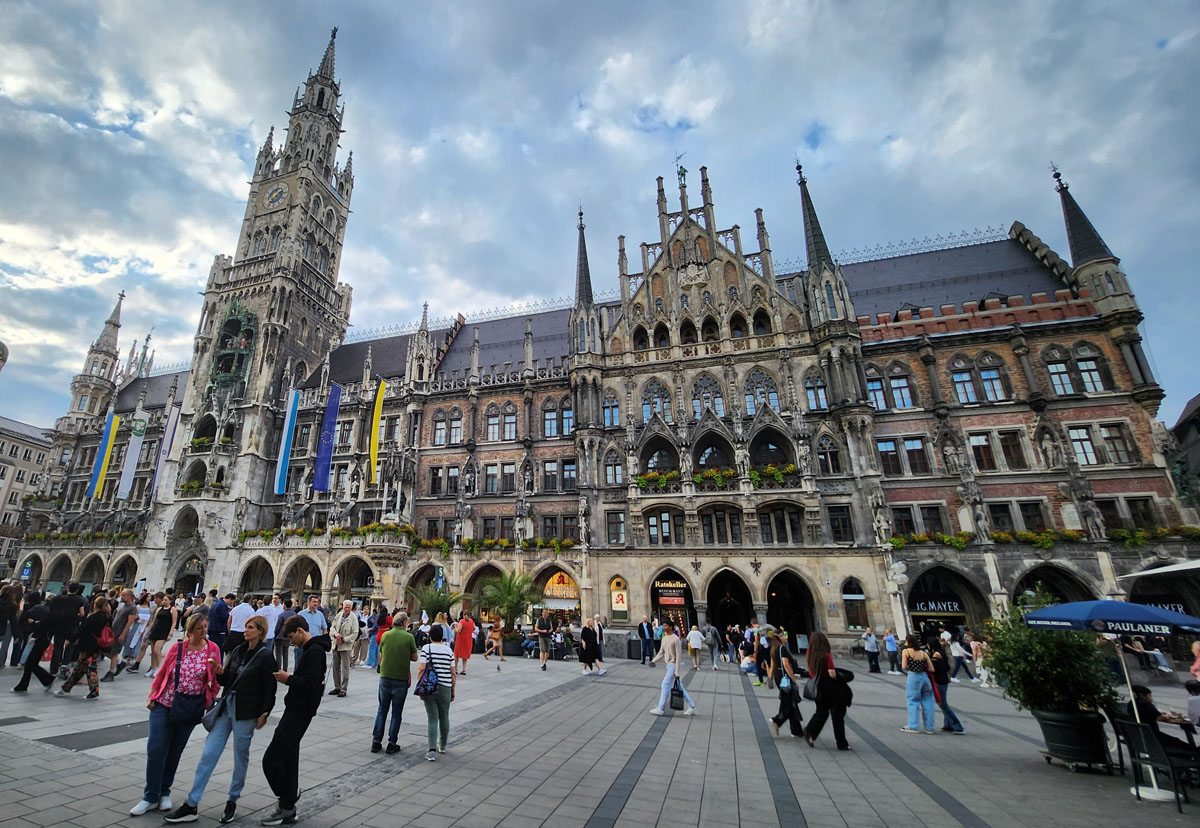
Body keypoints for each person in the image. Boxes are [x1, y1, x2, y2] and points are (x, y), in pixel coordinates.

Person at [166, 614, 277, 825]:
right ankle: (192, 803)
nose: (246, 630)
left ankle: (232, 799)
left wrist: (264, 713)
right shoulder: (238, 650)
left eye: (251, 627)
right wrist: (219, 672)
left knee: (240, 756)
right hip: (227, 707)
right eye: (246, 626)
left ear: (260, 631)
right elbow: (227, 680)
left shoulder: (265, 656)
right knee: (209, 753)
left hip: (246, 712)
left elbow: (269, 689)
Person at [130, 614, 221, 816]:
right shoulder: (178, 648)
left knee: (174, 751)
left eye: (205, 627)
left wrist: (208, 698)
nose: (204, 631)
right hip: (164, 703)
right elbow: (163, 673)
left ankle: (164, 792)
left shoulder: (213, 649)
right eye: (199, 627)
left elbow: (215, 680)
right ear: (190, 629)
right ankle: (150, 796)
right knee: (156, 749)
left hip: (190, 707)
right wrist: (153, 695)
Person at [261, 614, 330, 826]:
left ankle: (288, 797)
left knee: (271, 760)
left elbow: (311, 684)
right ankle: (287, 807)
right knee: (289, 759)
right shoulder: (311, 650)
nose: (291, 642)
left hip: (300, 711)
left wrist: (288, 678)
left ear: (300, 631)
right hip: (297, 709)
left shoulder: (315, 652)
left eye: (292, 637)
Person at [373, 611, 417, 754]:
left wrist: (381, 667)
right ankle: (392, 743)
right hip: (400, 677)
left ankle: (376, 741)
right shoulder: (408, 637)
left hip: (385, 676)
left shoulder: (386, 635)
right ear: (404, 623)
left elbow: (380, 653)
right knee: (396, 712)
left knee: (382, 709)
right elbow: (415, 657)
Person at [56, 595, 112, 699]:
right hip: (97, 646)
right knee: (83, 668)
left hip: (88, 646)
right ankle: (67, 688)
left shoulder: (94, 617)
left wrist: (71, 640)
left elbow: (83, 630)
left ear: (95, 605)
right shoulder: (107, 617)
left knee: (86, 669)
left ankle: (69, 689)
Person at [802, 631, 850, 750]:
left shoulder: (809, 653)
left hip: (817, 686)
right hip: (829, 687)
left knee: (822, 712)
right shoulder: (825, 655)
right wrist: (840, 677)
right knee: (837, 713)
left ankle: (810, 731)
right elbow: (832, 673)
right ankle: (841, 743)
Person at [1127, 684, 1200, 760]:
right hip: (1154, 739)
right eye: (1150, 696)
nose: (1151, 698)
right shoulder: (1147, 705)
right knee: (1179, 743)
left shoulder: (1131, 704)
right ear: (1142, 696)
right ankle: (1192, 758)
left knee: (1178, 742)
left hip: (1141, 738)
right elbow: (1163, 718)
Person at [416, 624, 456, 762]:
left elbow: (422, 668)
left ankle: (431, 750)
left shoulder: (426, 648)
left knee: (432, 718)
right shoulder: (449, 650)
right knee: (444, 715)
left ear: (430, 636)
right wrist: (453, 689)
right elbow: (453, 672)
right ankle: (443, 745)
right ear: (442, 636)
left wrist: (420, 685)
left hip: (430, 686)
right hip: (445, 685)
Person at [650, 619, 695, 716]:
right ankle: (692, 706)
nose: (664, 627)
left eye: (666, 625)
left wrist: (677, 671)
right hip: (668, 665)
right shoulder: (664, 638)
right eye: (663, 625)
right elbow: (661, 652)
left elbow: (678, 656)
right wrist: (654, 660)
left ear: (671, 627)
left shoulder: (676, 639)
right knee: (680, 687)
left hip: (673, 665)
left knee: (665, 684)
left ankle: (660, 708)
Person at [11, 597, 54, 692]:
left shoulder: (45, 613)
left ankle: (45, 679)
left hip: (40, 639)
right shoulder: (52, 614)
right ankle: (47, 679)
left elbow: (42, 627)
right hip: (45, 640)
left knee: (30, 663)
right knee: (31, 664)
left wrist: (34, 625)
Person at [767, 631, 804, 738]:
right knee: (789, 702)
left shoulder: (773, 648)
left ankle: (796, 731)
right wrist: (794, 679)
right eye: (784, 635)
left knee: (790, 702)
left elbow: (772, 666)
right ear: (779, 637)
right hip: (785, 677)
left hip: (779, 676)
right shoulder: (782, 648)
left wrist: (770, 679)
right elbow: (786, 664)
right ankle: (777, 720)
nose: (786, 637)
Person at [900, 633, 937, 734]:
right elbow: (931, 669)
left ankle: (913, 726)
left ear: (907, 642)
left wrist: (911, 666)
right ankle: (929, 727)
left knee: (913, 701)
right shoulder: (924, 653)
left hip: (913, 676)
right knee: (928, 702)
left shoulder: (906, 651)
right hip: (924, 677)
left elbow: (904, 666)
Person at [48, 581, 86, 675]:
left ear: (68, 588)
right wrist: (77, 616)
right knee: (69, 647)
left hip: (60, 625)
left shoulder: (60, 598)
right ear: (77, 590)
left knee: (57, 647)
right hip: (72, 626)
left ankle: (54, 668)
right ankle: (64, 666)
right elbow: (82, 614)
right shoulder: (79, 600)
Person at [930, 639, 965, 734]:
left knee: (942, 704)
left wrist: (932, 660)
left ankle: (957, 726)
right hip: (943, 680)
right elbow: (947, 667)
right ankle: (948, 724)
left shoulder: (936, 654)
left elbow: (934, 668)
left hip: (940, 681)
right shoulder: (942, 652)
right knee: (942, 703)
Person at [102, 589, 137, 681]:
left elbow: (129, 622)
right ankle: (119, 663)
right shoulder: (121, 605)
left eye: (124, 595)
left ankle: (111, 672)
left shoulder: (132, 608)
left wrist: (123, 634)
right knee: (105, 650)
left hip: (120, 632)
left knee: (114, 652)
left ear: (130, 596)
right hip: (113, 631)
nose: (122, 597)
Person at [143, 592, 178, 678]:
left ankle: (158, 668)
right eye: (163, 600)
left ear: (170, 601)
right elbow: (154, 620)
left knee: (157, 650)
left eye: (166, 600)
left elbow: (174, 622)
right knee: (153, 651)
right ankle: (152, 668)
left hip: (164, 631)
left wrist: (170, 633)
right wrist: (149, 629)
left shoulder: (172, 609)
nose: (164, 601)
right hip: (155, 630)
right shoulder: (159, 609)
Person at [329, 600, 360, 697]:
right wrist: (335, 634)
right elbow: (332, 627)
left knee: (345, 668)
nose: (346, 609)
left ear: (351, 608)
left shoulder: (353, 618)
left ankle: (343, 689)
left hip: (346, 646)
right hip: (336, 644)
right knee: (335, 667)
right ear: (342, 607)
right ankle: (337, 686)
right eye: (345, 607)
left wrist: (344, 639)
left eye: (348, 607)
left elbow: (355, 633)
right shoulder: (339, 615)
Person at [295, 595, 328, 668]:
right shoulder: (301, 614)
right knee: (299, 666)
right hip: (302, 644)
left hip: (315, 645)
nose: (315, 604)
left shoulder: (320, 615)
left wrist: (323, 642)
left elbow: (325, 629)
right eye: (313, 602)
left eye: (317, 602)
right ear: (309, 602)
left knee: (313, 666)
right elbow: (295, 628)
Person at [260, 594, 285, 666]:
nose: (274, 600)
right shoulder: (270, 608)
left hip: (277, 632)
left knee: (276, 652)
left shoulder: (282, 609)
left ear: (280, 599)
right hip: (268, 633)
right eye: (273, 598)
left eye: (276, 598)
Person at [272, 599, 296, 672]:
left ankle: (278, 669)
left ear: (284, 605)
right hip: (289, 637)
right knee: (286, 654)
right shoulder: (294, 614)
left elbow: (278, 627)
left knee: (278, 654)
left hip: (280, 636)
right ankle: (285, 669)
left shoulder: (282, 615)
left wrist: (275, 635)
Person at [0, 587, 18, 666]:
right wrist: (16, 635)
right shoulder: (12, 605)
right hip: (4, 627)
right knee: (5, 645)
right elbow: (13, 621)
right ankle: (1, 662)